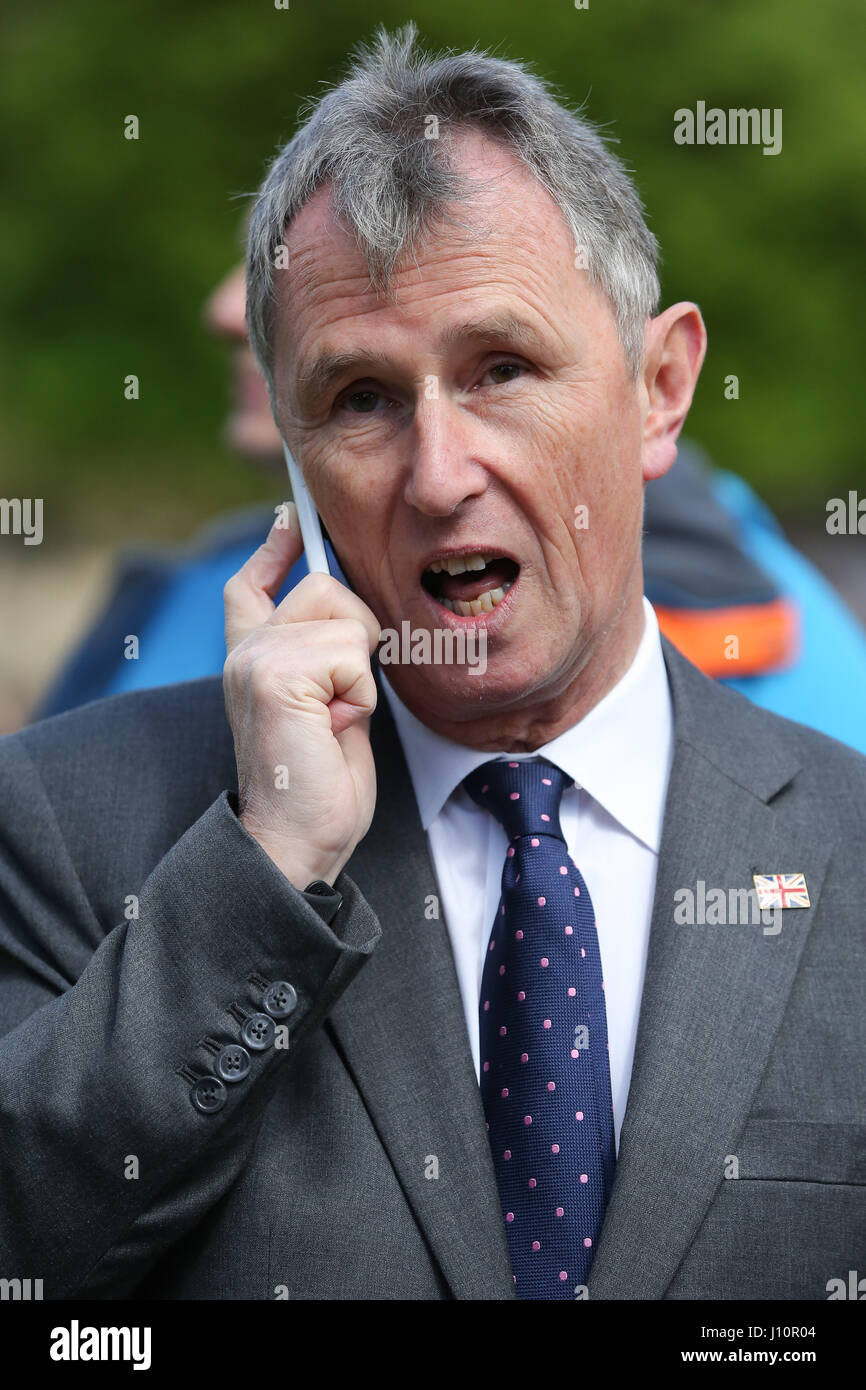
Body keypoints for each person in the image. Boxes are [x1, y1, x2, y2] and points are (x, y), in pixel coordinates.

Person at [1, 24, 863, 1300]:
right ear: (290, 457)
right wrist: (267, 861)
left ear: (658, 386)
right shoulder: (71, 824)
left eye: (501, 369)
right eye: (359, 398)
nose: (439, 472)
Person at [36, 259, 866, 753]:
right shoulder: (182, 589)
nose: (224, 311)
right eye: (365, 397)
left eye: (502, 371)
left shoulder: (740, 605)